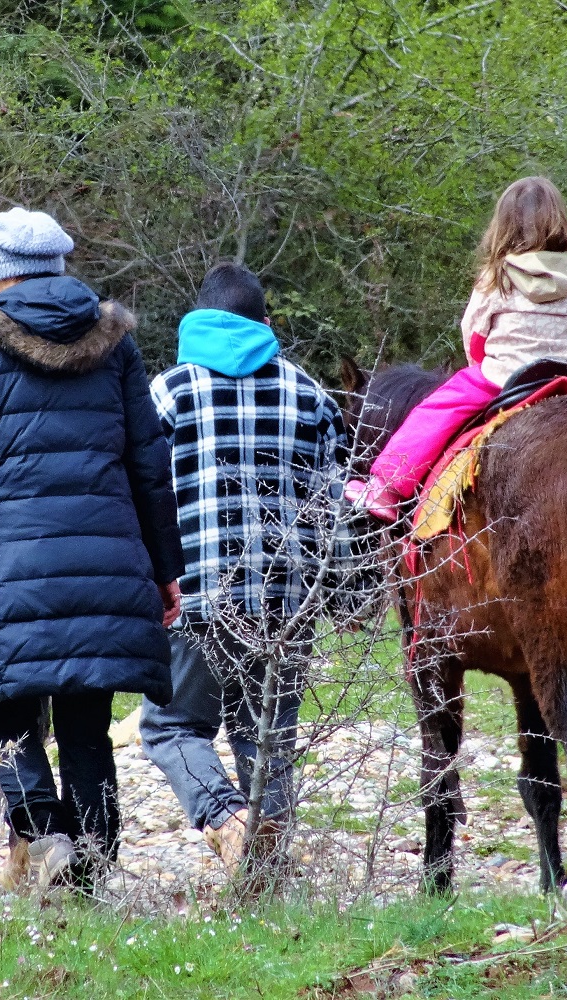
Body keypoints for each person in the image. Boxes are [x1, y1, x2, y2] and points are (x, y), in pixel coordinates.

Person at [0, 208, 184, 890]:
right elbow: (149, 462)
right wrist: (166, 569)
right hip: (106, 563)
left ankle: (43, 835)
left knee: (4, 708)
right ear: (60, 264)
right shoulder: (113, 340)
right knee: (87, 722)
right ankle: (92, 857)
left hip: (9, 566)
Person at [139, 262, 352, 868]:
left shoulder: (167, 393)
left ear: (197, 319)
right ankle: (269, 866)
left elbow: (145, 499)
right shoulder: (310, 395)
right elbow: (333, 506)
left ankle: (227, 819)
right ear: (265, 322)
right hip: (286, 604)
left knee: (171, 729)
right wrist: (342, 595)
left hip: (195, 600)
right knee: (269, 742)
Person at [357, 175, 567, 521]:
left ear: (504, 225)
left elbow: (473, 331)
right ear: (561, 222)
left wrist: (479, 363)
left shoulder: (497, 275)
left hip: (507, 377)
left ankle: (388, 486)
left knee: (438, 409)